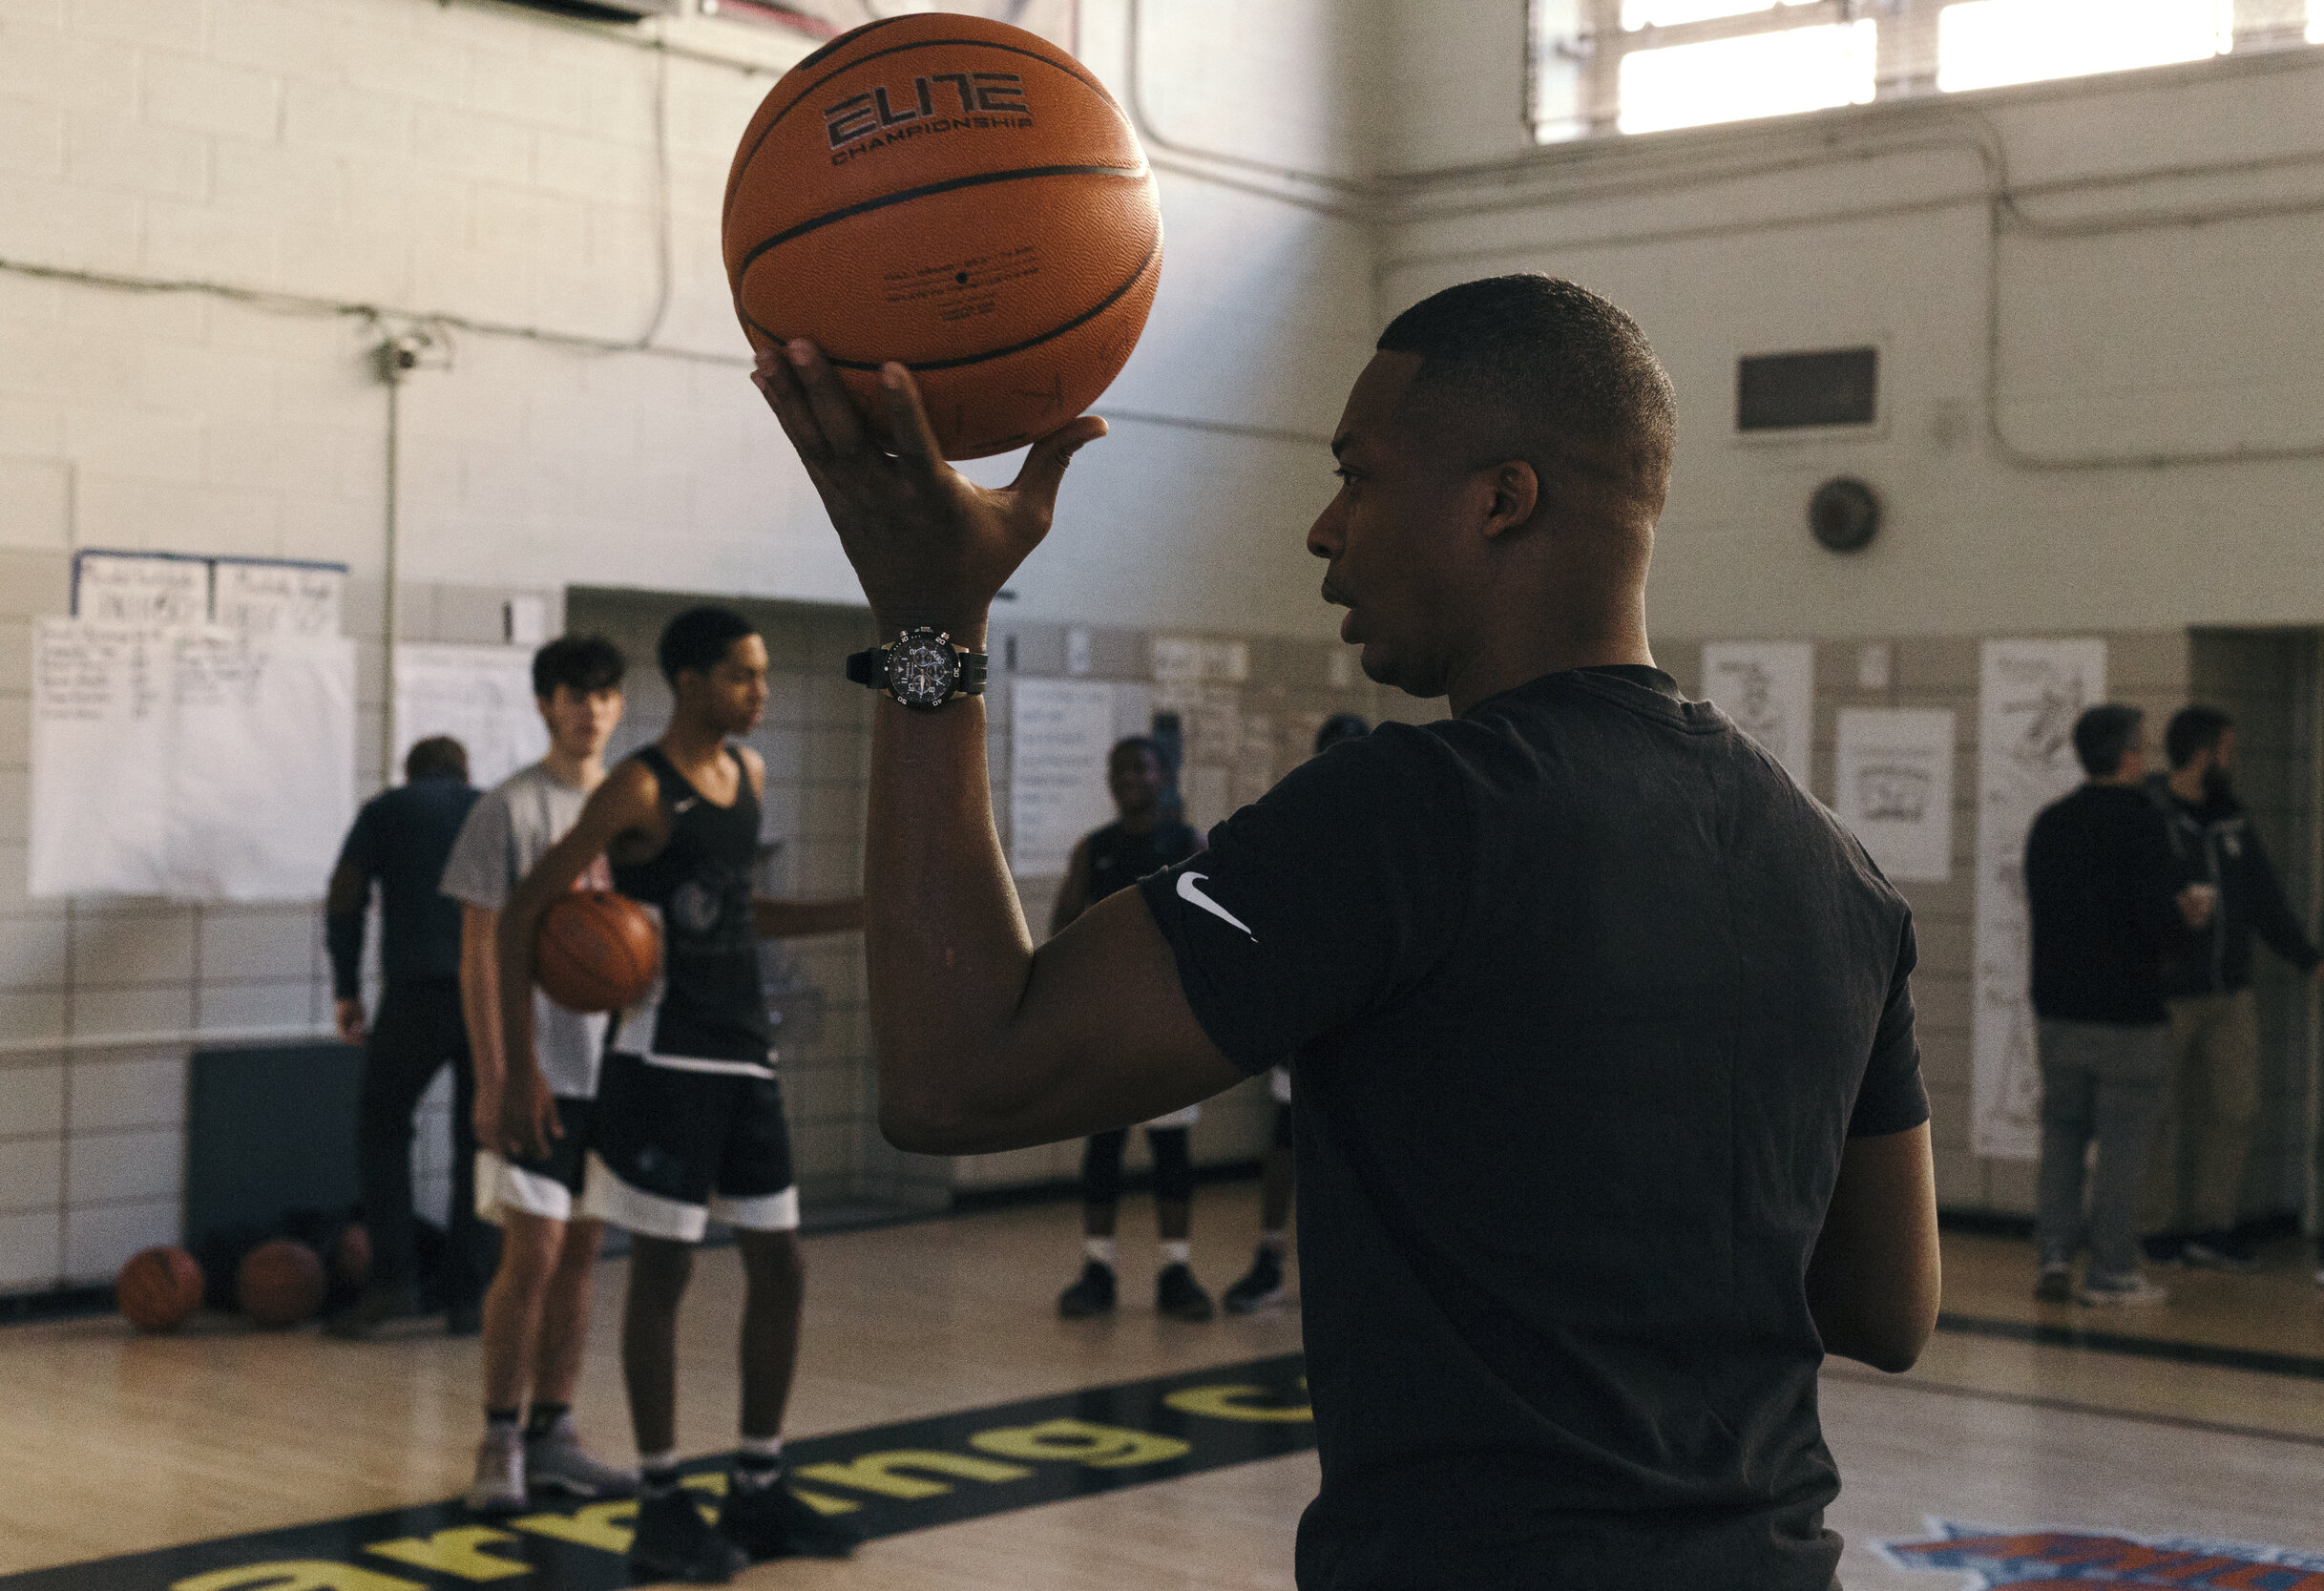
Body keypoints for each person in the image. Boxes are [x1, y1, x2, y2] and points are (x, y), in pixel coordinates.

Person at [751, 273, 1941, 1590]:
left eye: (1357, 477)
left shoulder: (1412, 816)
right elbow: (1887, 1307)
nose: (1323, 531)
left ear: (1502, 498)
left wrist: (930, 625)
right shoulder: (1837, 869)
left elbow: (958, 1072)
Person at [495, 605, 865, 1583]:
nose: (762, 690)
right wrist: (521, 1067)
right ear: (692, 681)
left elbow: (740, 911)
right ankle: (660, 1501)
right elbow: (523, 915)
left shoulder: (749, 774)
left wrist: (860, 910)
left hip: (744, 1051)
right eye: (744, 675)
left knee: (781, 1265)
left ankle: (757, 1477)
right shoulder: (635, 787)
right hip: (660, 1061)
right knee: (663, 1275)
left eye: (765, 674)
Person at [439, 635, 638, 1514]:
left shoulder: (636, 810)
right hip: (535, 1067)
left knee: (585, 1252)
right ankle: (498, 1438)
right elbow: (479, 954)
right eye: (572, 694)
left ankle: (557, 1434)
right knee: (535, 1252)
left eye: (603, 693)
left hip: (615, 1070)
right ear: (545, 705)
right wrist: (496, 1074)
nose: (589, 708)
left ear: (620, 705)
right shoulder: (509, 810)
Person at [2139, 705, 2324, 1273]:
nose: (2233, 760)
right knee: (2158, 1114)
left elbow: (2263, 897)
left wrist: (2308, 958)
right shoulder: (2151, 814)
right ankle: (2151, 1228)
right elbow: (2132, 896)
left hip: (2231, 992)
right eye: (2228, 750)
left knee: (2236, 1109)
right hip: (2167, 995)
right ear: (2203, 753)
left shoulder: (2232, 818)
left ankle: (2214, 1225)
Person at [2023, 704, 2208, 1308]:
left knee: (2062, 1138)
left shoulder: (2049, 824)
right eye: (2142, 746)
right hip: (2128, 1014)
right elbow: (2155, 920)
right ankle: (2111, 1271)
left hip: (2059, 1012)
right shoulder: (2144, 826)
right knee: (2123, 1149)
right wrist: (2189, 922)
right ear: (2128, 756)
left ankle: (2053, 1254)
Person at [325, 735, 497, 1339]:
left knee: (382, 1127)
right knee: (479, 1141)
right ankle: (471, 1297)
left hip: (415, 994)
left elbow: (346, 896)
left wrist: (348, 986)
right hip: (488, 997)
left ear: (408, 773)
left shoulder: (386, 811)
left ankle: (393, 1282)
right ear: (464, 770)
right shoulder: (494, 807)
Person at [1051, 738, 1212, 1322]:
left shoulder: (1188, 845)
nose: (1127, 777)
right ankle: (1098, 1268)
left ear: (1162, 775)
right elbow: (1062, 932)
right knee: (1104, 1146)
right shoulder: (1093, 851)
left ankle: (1176, 1269)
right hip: (1109, 1025)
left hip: (1169, 1023)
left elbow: (1212, 935)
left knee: (1171, 1148)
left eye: (1139, 767)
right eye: (1117, 768)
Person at [1222, 712, 1370, 1315]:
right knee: (1288, 1138)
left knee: (1364, 1148)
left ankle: (1363, 1269)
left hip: (1371, 1022)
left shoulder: (1392, 831)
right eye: (1329, 755)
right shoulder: (1298, 829)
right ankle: (1270, 1257)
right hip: (1309, 1016)